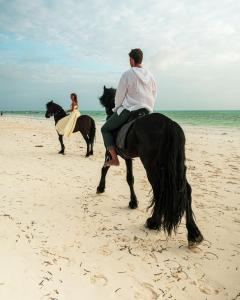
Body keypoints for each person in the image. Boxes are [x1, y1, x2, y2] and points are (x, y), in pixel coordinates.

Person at [101, 48, 157, 166]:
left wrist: (116, 108)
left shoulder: (127, 74)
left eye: (129, 59)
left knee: (105, 129)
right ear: (140, 59)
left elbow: (119, 95)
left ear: (132, 60)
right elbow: (154, 94)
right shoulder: (151, 76)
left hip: (130, 110)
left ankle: (114, 159)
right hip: (147, 110)